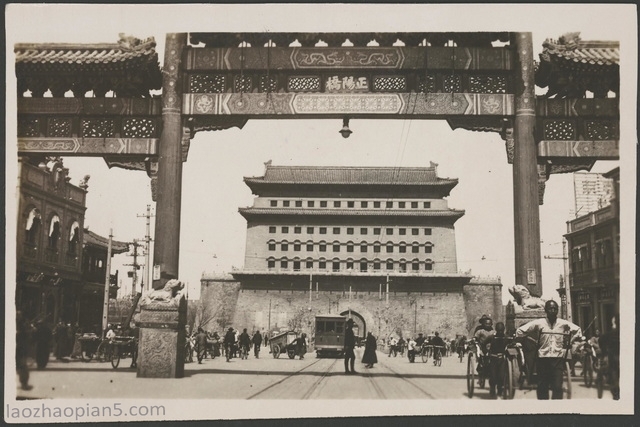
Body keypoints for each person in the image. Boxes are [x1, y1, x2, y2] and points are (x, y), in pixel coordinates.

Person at [516, 300, 582, 400]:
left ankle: (555, 411)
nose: (553, 311)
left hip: (558, 359)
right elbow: (520, 330)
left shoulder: (562, 323)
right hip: (543, 359)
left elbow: (578, 330)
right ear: (545, 310)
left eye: (555, 309)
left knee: (557, 387)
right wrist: (527, 338)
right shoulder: (539, 323)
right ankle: (544, 410)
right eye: (550, 309)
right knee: (542, 386)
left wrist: (571, 340)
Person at [485, 322, 509, 398]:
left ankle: (499, 389)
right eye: (499, 331)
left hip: (502, 359)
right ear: (496, 330)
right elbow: (483, 343)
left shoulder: (506, 337)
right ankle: (492, 389)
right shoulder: (491, 337)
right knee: (493, 376)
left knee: (501, 376)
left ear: (504, 330)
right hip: (493, 358)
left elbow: (512, 344)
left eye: (501, 331)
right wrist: (485, 351)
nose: (500, 332)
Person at [599, 313, 619, 400]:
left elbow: (601, 340)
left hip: (614, 360)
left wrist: (604, 354)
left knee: (613, 374)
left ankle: (616, 393)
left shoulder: (611, 334)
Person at [16, 311, 33, 390]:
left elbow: (27, 336)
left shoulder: (22, 325)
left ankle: (24, 382)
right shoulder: (19, 325)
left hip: (20, 347)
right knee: (21, 366)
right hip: (18, 347)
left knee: (22, 365)